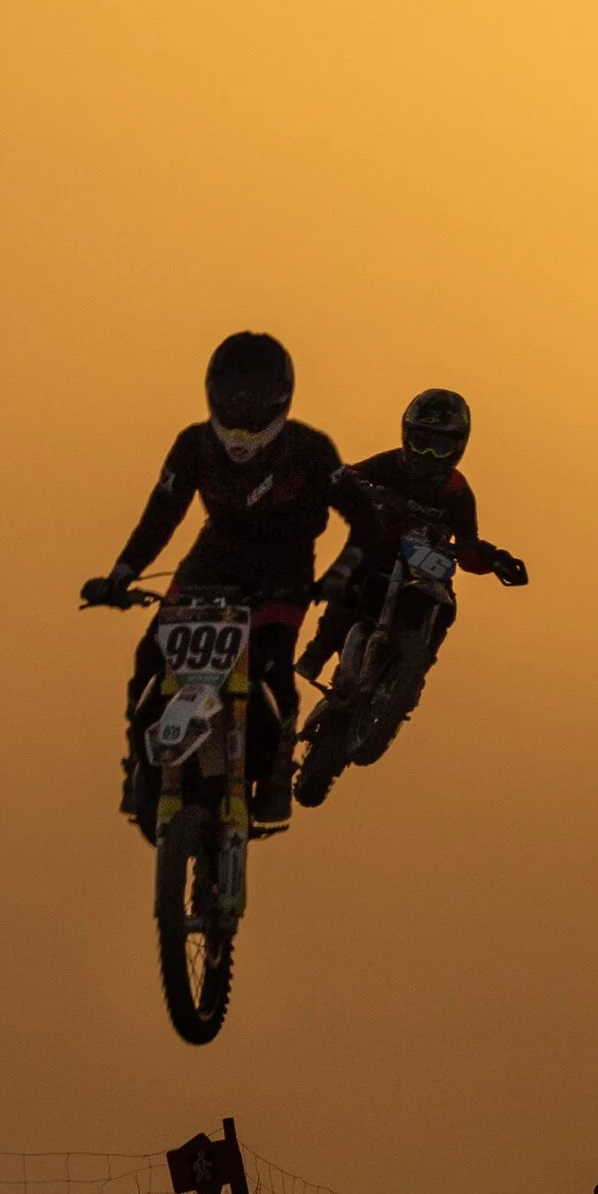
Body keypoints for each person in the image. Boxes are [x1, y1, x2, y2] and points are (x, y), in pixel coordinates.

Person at [82, 332, 345, 833]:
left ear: (280, 397)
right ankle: (137, 762)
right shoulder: (193, 444)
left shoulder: (310, 448)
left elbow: (363, 517)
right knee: (150, 658)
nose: (243, 409)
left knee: (273, 668)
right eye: (234, 395)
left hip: (284, 572)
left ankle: (276, 771)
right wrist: (121, 574)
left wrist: (342, 574)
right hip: (209, 566)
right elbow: (162, 515)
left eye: (254, 397)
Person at [297, 388, 528, 700]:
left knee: (446, 608)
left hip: (426, 567)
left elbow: (468, 548)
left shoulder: (457, 491)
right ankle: (318, 651)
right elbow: (347, 476)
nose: (429, 454)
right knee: (355, 573)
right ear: (407, 436)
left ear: (458, 447)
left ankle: (411, 677)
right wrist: (358, 488)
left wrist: (493, 559)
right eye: (422, 442)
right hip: (383, 551)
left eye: (441, 446)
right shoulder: (390, 463)